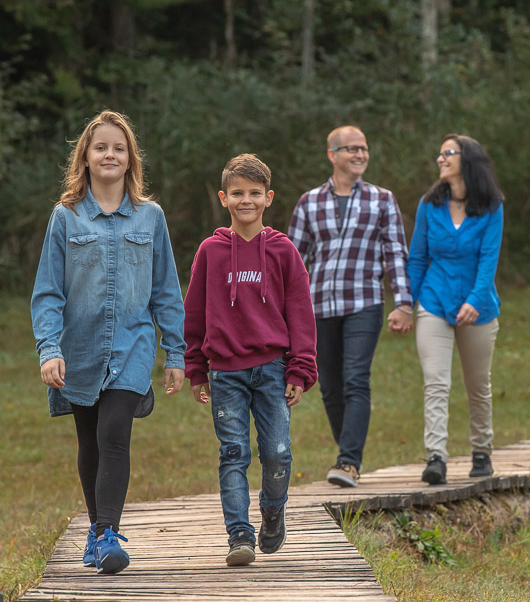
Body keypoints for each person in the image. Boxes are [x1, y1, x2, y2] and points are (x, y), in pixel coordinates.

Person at [31, 109, 186, 575]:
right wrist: (50, 348)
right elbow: (48, 292)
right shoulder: (66, 218)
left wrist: (176, 352)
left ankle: (108, 532)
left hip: (133, 347)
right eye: (101, 147)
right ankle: (98, 534)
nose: (110, 154)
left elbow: (166, 289)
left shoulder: (150, 217)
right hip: (78, 349)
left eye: (119, 147)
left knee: (115, 432)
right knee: (90, 440)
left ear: (130, 159)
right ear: (85, 157)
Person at [184, 153, 318, 567]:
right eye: (237, 193)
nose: (246, 200)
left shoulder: (283, 251)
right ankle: (239, 534)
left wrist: (301, 367)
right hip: (225, 371)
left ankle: (273, 510)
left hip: (273, 369)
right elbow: (194, 311)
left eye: (254, 193)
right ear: (224, 198)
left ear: (268, 198)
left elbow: (300, 312)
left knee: (277, 452)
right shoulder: (210, 252)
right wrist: (195, 368)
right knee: (233, 452)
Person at [287, 126, 414, 489]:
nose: (360, 154)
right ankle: (348, 453)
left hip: (364, 302)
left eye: (364, 149)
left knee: (356, 378)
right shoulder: (309, 202)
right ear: (333, 154)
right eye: (352, 149)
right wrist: (282, 313)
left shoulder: (382, 200)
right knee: (329, 384)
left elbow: (395, 253)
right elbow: (293, 262)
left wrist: (404, 303)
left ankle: (348, 461)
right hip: (320, 306)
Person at [408, 133, 505, 485]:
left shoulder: (492, 207)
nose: (440, 158)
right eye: (440, 153)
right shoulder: (429, 205)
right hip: (434, 302)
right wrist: (407, 303)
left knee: (478, 385)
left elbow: (488, 260)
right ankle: (436, 457)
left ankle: (482, 451)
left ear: (469, 160)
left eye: (449, 153)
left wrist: (475, 301)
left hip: (478, 308)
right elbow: (418, 258)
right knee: (436, 381)